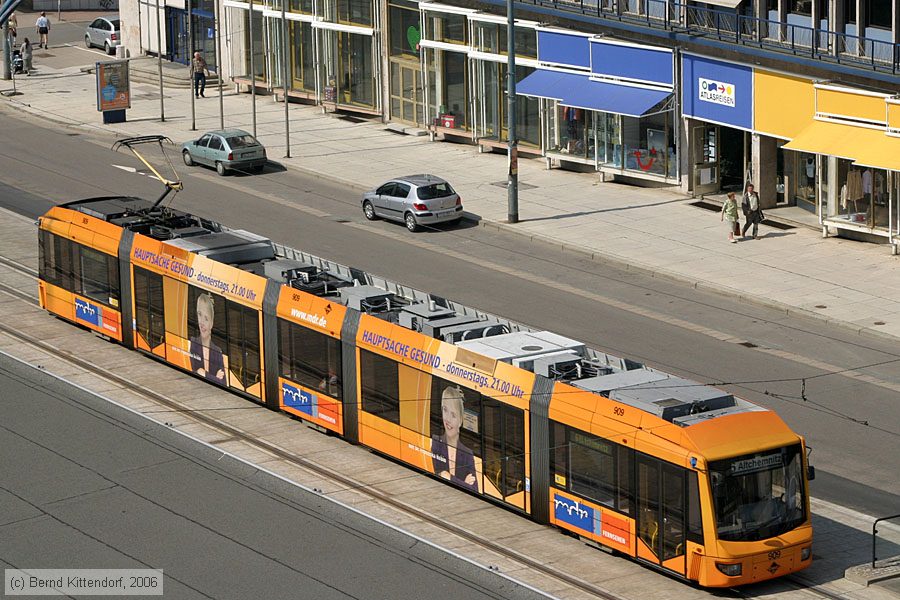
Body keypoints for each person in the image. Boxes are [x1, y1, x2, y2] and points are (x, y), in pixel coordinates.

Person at [430, 386, 477, 492]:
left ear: (460, 420)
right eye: (445, 410)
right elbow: (437, 474)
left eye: (453, 415)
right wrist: (464, 483)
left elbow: (474, 488)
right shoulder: (436, 442)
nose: (447, 419)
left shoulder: (467, 453)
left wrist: (449, 477)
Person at [189, 293, 226, 384]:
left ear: (211, 323)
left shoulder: (217, 351)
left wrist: (204, 374)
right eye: (199, 315)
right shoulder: (193, 343)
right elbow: (194, 372)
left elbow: (223, 382)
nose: (201, 322)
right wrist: (215, 377)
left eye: (206, 319)